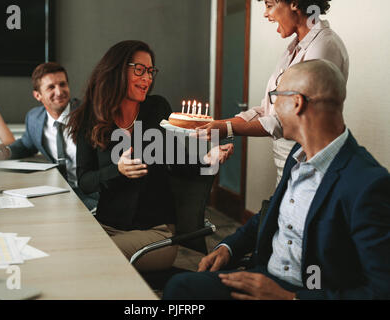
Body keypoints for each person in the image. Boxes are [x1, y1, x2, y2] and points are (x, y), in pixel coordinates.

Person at [163, 59, 390, 300]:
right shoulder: (298, 154)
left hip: (307, 293)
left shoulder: (367, 183)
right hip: (264, 274)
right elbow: (273, 213)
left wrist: (289, 299)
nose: (272, 108)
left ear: (297, 103)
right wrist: (229, 248)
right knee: (182, 288)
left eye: (276, 97)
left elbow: (381, 290)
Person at [67, 40, 232, 272]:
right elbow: (85, 182)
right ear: (116, 70)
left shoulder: (156, 109)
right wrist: (118, 170)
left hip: (156, 234)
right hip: (106, 226)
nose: (148, 78)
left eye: (151, 71)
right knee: (66, 249)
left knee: (92, 258)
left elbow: (177, 160)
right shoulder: (89, 117)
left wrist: (207, 158)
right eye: (140, 70)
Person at [194, 0, 349, 184]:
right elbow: (268, 110)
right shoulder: (293, 47)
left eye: (269, 5)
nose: (265, 14)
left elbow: (290, 119)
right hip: (286, 165)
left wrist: (227, 128)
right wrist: (219, 124)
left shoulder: (324, 46)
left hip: (309, 165)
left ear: (294, 3)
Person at [0, 62, 98, 211]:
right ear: (37, 95)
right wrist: (4, 152)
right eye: (51, 87)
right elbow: (26, 144)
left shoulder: (89, 114)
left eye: (62, 84)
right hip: (58, 193)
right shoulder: (35, 118)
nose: (59, 92)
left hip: (93, 195)